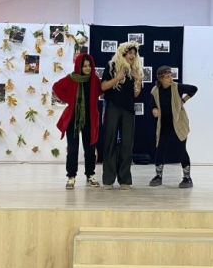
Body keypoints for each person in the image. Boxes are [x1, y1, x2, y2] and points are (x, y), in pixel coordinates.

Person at [52, 53, 103, 189]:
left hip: (89, 118)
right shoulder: (71, 78)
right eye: (84, 66)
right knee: (73, 149)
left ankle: (90, 175)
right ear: (79, 67)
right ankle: (71, 176)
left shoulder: (94, 80)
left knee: (90, 149)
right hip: (73, 119)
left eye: (89, 66)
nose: (87, 68)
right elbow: (56, 87)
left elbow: (101, 90)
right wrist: (69, 99)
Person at [100, 41, 143, 189]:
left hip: (128, 110)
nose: (133, 56)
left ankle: (125, 180)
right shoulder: (112, 66)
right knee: (110, 142)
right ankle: (108, 180)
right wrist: (117, 78)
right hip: (112, 107)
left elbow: (136, 94)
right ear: (123, 53)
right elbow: (103, 86)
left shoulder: (134, 70)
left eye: (134, 53)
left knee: (127, 144)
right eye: (130, 53)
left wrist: (138, 79)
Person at [149, 65, 198, 189]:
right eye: (167, 77)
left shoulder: (177, 87)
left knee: (181, 149)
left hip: (178, 123)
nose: (170, 79)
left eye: (171, 76)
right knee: (160, 149)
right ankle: (158, 176)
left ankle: (187, 177)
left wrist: (184, 100)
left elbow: (194, 89)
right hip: (164, 124)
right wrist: (154, 109)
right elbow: (153, 104)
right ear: (160, 79)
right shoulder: (155, 90)